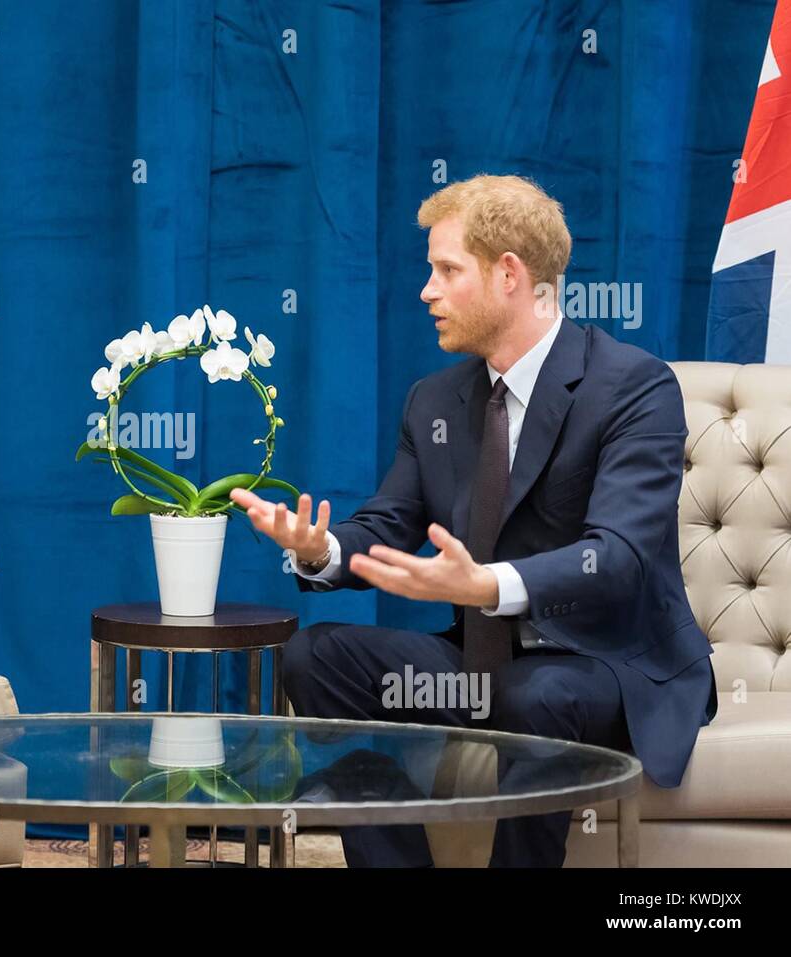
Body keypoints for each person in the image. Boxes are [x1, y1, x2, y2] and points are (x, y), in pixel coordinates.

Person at [231, 174, 717, 867]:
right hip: (482, 672)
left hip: (608, 666)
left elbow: (617, 559)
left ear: (509, 274)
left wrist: (488, 584)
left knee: (536, 692)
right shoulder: (434, 398)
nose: (426, 289)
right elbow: (387, 524)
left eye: (446, 270)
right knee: (316, 657)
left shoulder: (632, 386)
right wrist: (322, 550)